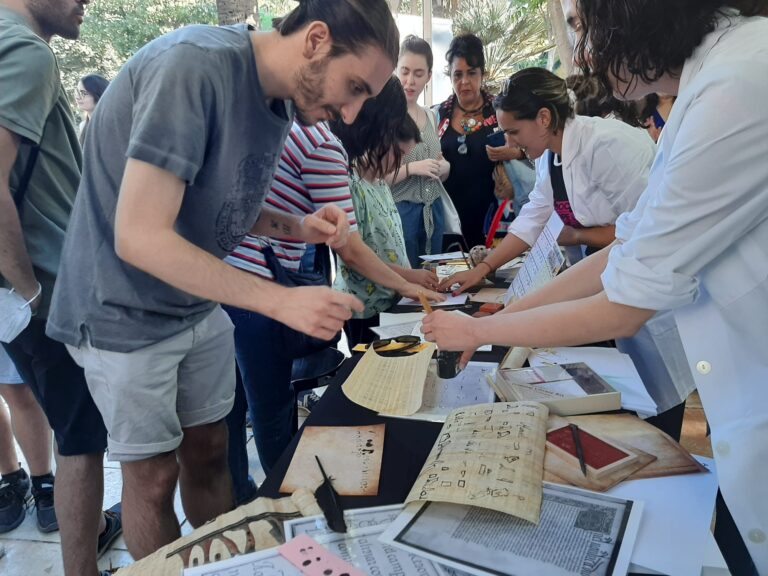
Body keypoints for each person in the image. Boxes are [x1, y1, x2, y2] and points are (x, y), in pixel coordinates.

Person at [46, 0, 399, 560]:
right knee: (154, 477)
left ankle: (232, 568)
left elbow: (218, 199)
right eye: (354, 87)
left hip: (195, 303)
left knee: (212, 447)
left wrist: (296, 226)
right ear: (315, 40)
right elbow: (139, 235)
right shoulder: (193, 66)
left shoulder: (281, 102)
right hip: (122, 309)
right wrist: (279, 301)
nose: (351, 114)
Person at [423, 1, 768, 573]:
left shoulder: (735, 82)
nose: (584, 52)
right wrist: (497, 316)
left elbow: (627, 296)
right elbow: (623, 248)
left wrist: (485, 327)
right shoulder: (717, 79)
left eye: (585, 27)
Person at [224, 77, 443, 477]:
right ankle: (284, 499)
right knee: (271, 409)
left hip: (232, 283)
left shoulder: (301, 131)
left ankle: (240, 495)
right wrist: (407, 284)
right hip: (261, 290)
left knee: (230, 412)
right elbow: (352, 247)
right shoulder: (324, 147)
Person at [0, 0, 123, 574]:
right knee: (81, 440)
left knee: (75, 430)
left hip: (20, 292)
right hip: (38, 291)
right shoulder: (25, 49)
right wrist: (30, 294)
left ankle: (93, 533)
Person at [438, 67, 655, 296]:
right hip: (600, 281)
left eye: (514, 132)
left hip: (643, 290)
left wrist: (580, 236)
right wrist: (483, 267)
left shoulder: (607, 146)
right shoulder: (549, 154)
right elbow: (534, 217)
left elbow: (645, 230)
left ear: (544, 118)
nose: (510, 144)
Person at [330, 80, 445, 347]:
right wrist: (408, 277)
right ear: (382, 138)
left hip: (388, 297)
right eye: (400, 155)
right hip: (363, 308)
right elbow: (355, 256)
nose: (401, 164)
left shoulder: (381, 184)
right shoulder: (350, 184)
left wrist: (408, 276)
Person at [436, 33, 520, 249]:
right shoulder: (438, 115)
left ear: (483, 73)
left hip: (495, 219)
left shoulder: (500, 111)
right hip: (449, 221)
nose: (464, 82)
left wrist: (514, 154)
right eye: (457, 75)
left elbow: (532, 148)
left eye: (471, 73)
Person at [390, 34, 451, 266]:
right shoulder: (386, 118)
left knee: (431, 279)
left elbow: (437, 160)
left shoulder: (430, 115)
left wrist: (445, 166)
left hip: (433, 211)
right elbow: (374, 179)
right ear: (395, 70)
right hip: (401, 212)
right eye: (405, 71)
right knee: (406, 285)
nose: (410, 81)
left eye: (418, 74)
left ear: (428, 76)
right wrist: (413, 168)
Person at [74, 73, 109, 147]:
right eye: (77, 92)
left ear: (98, 94)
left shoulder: (111, 126)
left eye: (84, 93)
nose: (78, 97)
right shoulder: (83, 126)